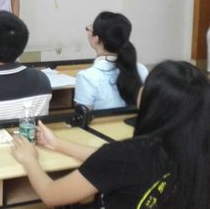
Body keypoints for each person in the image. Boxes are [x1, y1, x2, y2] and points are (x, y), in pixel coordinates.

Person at [13, 60, 210, 209]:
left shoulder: (130, 154)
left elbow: (50, 195)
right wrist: (58, 144)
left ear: (155, 102)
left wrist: (29, 159)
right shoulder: (195, 149)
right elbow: (114, 162)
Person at [75, 11, 148, 109]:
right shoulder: (142, 70)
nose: (88, 31)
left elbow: (83, 116)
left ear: (96, 39)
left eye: (89, 29)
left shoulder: (87, 77)